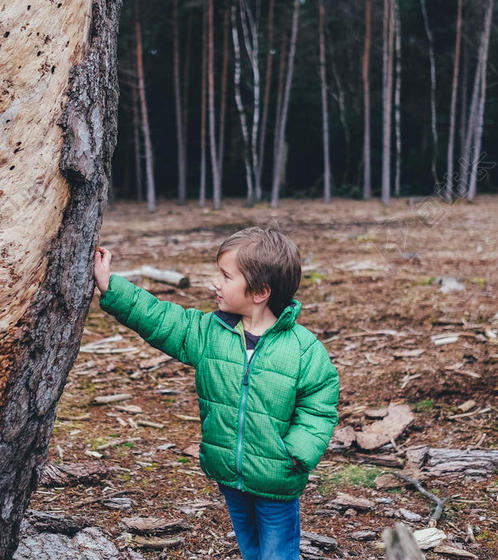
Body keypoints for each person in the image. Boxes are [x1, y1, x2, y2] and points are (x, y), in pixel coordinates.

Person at [93, 226, 339, 560]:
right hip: (228, 471)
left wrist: (296, 452)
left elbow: (319, 406)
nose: (215, 283)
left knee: (278, 552)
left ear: (260, 291)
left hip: (277, 479)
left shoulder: (302, 350)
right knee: (250, 547)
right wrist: (111, 286)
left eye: (226, 276)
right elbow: (161, 319)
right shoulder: (211, 332)